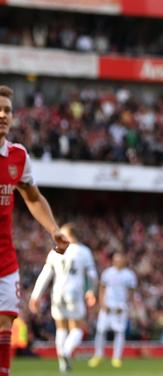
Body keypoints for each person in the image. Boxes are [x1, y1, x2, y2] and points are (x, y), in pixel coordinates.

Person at [0, 84, 69, 376]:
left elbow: (33, 197)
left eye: (8, 110)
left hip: (5, 260)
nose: (3, 115)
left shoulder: (18, 156)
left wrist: (53, 229)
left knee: (5, 323)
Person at [29, 223, 97, 373]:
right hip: (75, 293)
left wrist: (35, 296)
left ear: (68, 235)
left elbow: (46, 274)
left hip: (58, 293)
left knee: (61, 328)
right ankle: (66, 352)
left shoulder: (57, 250)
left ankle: (62, 363)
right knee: (77, 327)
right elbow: (91, 275)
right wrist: (91, 291)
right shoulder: (84, 251)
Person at [88, 252, 137, 369]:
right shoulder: (107, 273)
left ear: (124, 260)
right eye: (116, 259)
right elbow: (102, 288)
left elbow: (131, 292)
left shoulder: (129, 275)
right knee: (100, 331)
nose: (118, 261)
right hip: (107, 306)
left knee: (119, 332)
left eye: (120, 258)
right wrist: (102, 303)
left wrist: (126, 305)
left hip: (120, 307)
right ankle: (98, 355)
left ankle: (116, 357)